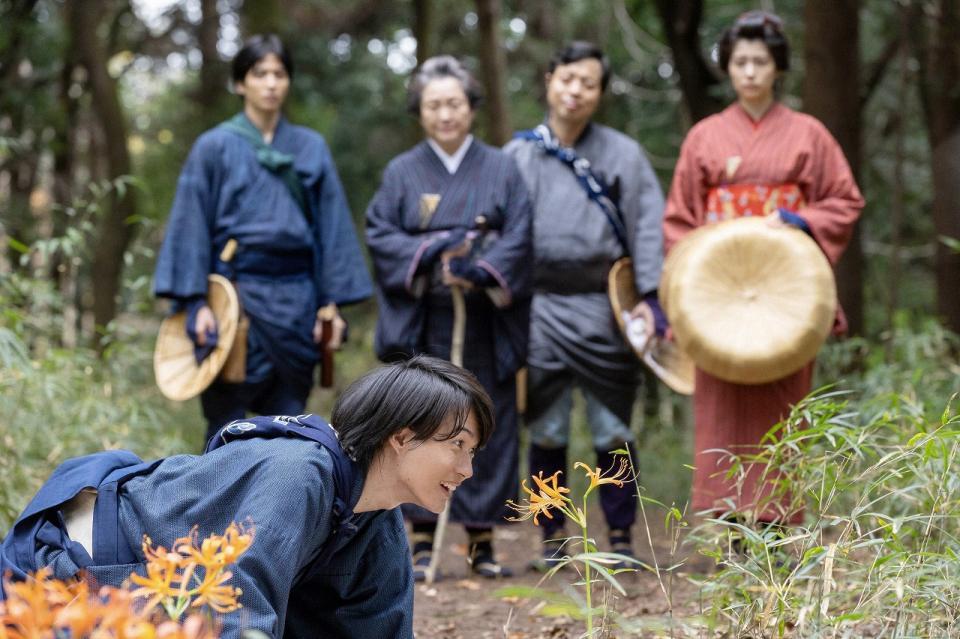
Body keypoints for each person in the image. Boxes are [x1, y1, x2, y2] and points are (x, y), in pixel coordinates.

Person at [0, 356, 494, 638]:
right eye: (458, 445)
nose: (467, 470)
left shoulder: (378, 517)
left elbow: (380, 629)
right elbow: (237, 611)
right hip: (80, 563)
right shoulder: (297, 475)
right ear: (403, 437)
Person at [662, 11, 863, 525]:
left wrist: (799, 218)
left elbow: (843, 201)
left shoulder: (809, 134)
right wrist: (686, 300)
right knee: (721, 416)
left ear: (777, 68)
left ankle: (774, 538)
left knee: (782, 411)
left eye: (760, 61)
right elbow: (681, 220)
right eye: (739, 61)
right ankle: (731, 534)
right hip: (717, 297)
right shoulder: (705, 136)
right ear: (728, 69)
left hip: (785, 297)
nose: (749, 71)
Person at [153, 34, 372, 442]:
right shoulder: (213, 147)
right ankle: (218, 506)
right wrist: (195, 303)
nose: (271, 83)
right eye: (260, 74)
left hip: (297, 304)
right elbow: (191, 226)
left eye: (279, 74)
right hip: (232, 303)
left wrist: (331, 305)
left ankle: (279, 506)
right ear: (240, 84)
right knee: (225, 428)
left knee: (288, 432)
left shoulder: (311, 147)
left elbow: (332, 231)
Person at [365, 55, 533, 579]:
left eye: (454, 103)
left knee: (483, 420)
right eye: (434, 104)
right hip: (425, 322)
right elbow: (381, 233)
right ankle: (418, 536)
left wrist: (478, 268)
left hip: (482, 320)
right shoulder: (401, 172)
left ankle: (481, 539)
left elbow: (521, 234)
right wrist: (435, 254)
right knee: (421, 419)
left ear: (471, 108)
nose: (445, 114)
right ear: (420, 111)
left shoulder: (502, 168)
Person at [503, 41, 665, 568]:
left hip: (605, 305)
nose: (575, 91)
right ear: (550, 79)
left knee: (611, 427)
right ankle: (552, 541)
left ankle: (620, 538)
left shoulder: (623, 154)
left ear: (599, 92)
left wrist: (652, 300)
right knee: (545, 429)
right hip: (538, 308)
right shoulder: (518, 154)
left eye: (587, 83)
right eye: (567, 78)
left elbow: (646, 226)